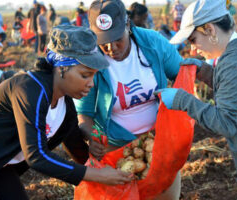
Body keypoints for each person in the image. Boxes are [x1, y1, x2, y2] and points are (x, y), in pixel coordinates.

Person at [0, 25, 133, 200]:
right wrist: (98, 175)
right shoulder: (29, 89)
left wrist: (97, 154)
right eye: (85, 75)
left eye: (93, 76)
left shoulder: (65, 105)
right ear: (61, 67)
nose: (91, 84)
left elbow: (77, 148)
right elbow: (37, 156)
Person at [156, 0, 237, 199]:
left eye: (193, 40)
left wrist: (183, 100)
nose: (193, 50)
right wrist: (207, 73)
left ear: (210, 29)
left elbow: (226, 123)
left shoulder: (236, 62)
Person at [75, 0, 183, 199]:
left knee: (164, 194)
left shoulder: (152, 43)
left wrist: (177, 119)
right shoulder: (90, 60)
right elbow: (84, 113)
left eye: (117, 39)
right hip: (117, 151)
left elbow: (181, 74)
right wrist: (91, 135)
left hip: (159, 144)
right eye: (103, 41)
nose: (111, 47)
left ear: (127, 25)